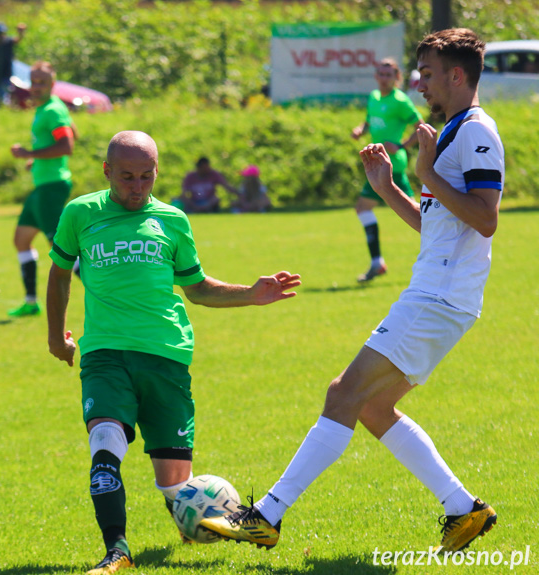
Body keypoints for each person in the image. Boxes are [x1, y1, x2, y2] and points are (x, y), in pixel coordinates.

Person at [200, 28, 503, 557]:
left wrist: (426, 170)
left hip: (438, 298)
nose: (419, 85)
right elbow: (439, 224)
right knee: (372, 408)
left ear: (457, 75)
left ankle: (267, 516)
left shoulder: (475, 132)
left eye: (427, 75)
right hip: (438, 296)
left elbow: (485, 218)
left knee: (343, 394)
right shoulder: (453, 128)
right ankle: (463, 508)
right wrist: (390, 187)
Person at [46, 130, 301, 574]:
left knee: (175, 489)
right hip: (106, 354)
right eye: (126, 177)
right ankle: (117, 552)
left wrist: (251, 294)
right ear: (107, 171)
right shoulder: (80, 213)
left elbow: (198, 288)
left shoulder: (173, 220)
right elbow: (59, 275)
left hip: (167, 358)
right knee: (105, 443)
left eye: (146, 177)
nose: (137, 187)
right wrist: (55, 337)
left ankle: (199, 523)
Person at [7, 61, 75, 317]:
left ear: (52, 84)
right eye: (33, 82)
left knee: (60, 248)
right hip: (42, 186)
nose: (36, 87)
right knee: (21, 240)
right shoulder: (46, 109)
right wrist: (36, 159)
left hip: (52, 186)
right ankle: (31, 302)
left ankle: (106, 292)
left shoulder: (52, 110)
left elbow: (67, 145)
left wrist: (30, 152)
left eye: (41, 83)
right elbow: (71, 134)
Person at [350, 58, 424, 283]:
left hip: (393, 165)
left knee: (419, 218)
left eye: (388, 75)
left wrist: (401, 145)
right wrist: (361, 129)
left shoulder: (400, 101)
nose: (384, 79)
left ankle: (443, 255)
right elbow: (370, 121)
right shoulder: (373, 97)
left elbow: (420, 126)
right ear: (375, 76)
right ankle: (377, 263)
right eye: (380, 74)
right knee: (365, 209)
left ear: (396, 78)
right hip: (376, 165)